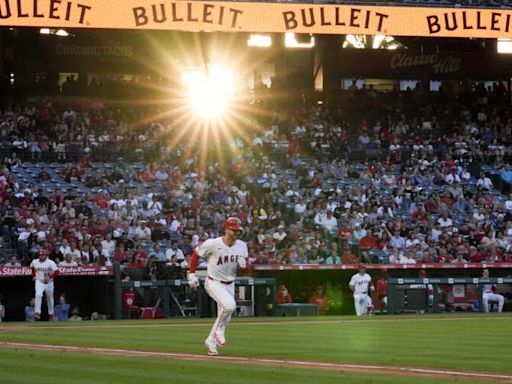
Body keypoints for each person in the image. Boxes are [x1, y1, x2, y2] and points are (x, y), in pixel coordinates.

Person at [187, 217, 250, 356]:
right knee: (229, 305)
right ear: (226, 229)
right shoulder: (213, 243)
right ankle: (219, 332)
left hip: (230, 283)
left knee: (224, 313)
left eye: (238, 231)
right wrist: (191, 274)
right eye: (234, 230)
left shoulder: (242, 245)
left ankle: (211, 341)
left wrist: (245, 266)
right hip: (213, 282)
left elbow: (246, 268)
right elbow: (196, 255)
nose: (236, 233)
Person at [30, 249, 59, 320]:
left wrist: (49, 277)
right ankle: (37, 312)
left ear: (46, 255)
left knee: (50, 299)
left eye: (43, 255)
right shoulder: (35, 261)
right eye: (40, 255)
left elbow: (57, 271)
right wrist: (33, 275)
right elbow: (32, 268)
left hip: (49, 283)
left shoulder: (50, 262)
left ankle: (51, 314)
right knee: (38, 294)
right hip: (39, 281)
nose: (41, 256)